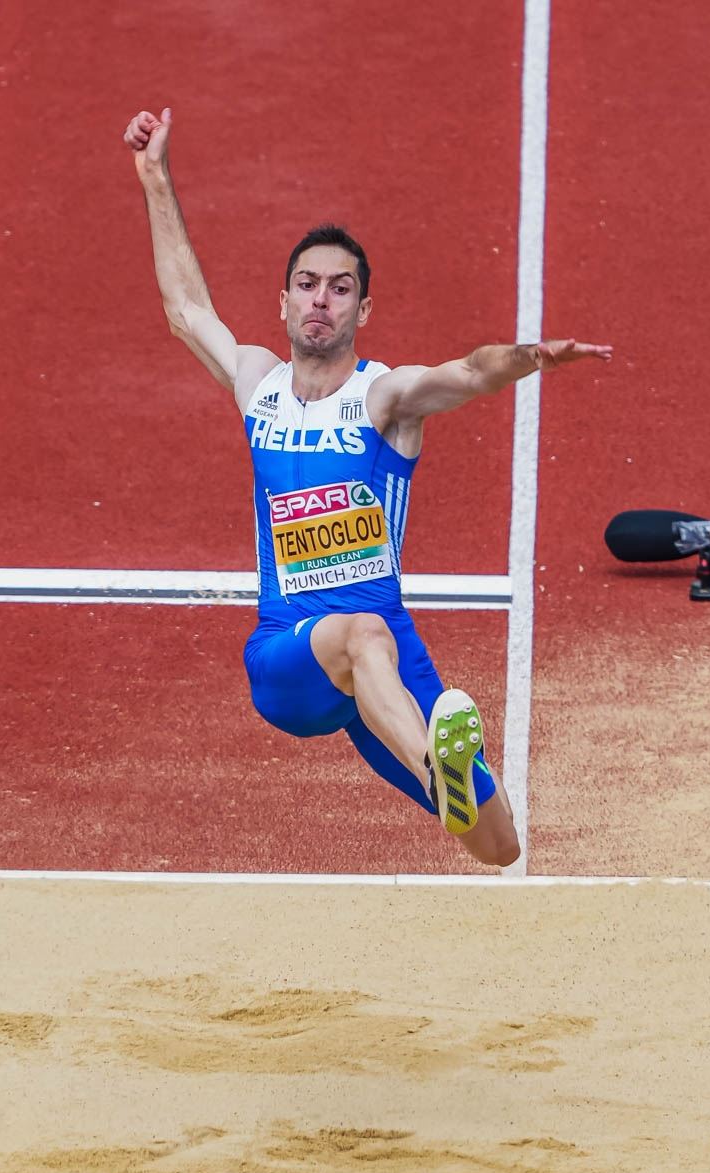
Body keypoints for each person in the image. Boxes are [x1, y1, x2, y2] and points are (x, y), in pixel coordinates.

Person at [123, 107, 611, 868]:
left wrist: (529, 357)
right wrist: (155, 177)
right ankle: (433, 767)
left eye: (339, 288)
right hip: (287, 656)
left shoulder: (388, 399)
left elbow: (473, 372)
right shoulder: (259, 384)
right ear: (283, 303)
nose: (321, 299)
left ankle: (448, 777)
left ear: (364, 308)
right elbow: (187, 311)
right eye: (307, 285)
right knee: (360, 632)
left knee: (498, 842)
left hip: (382, 656)